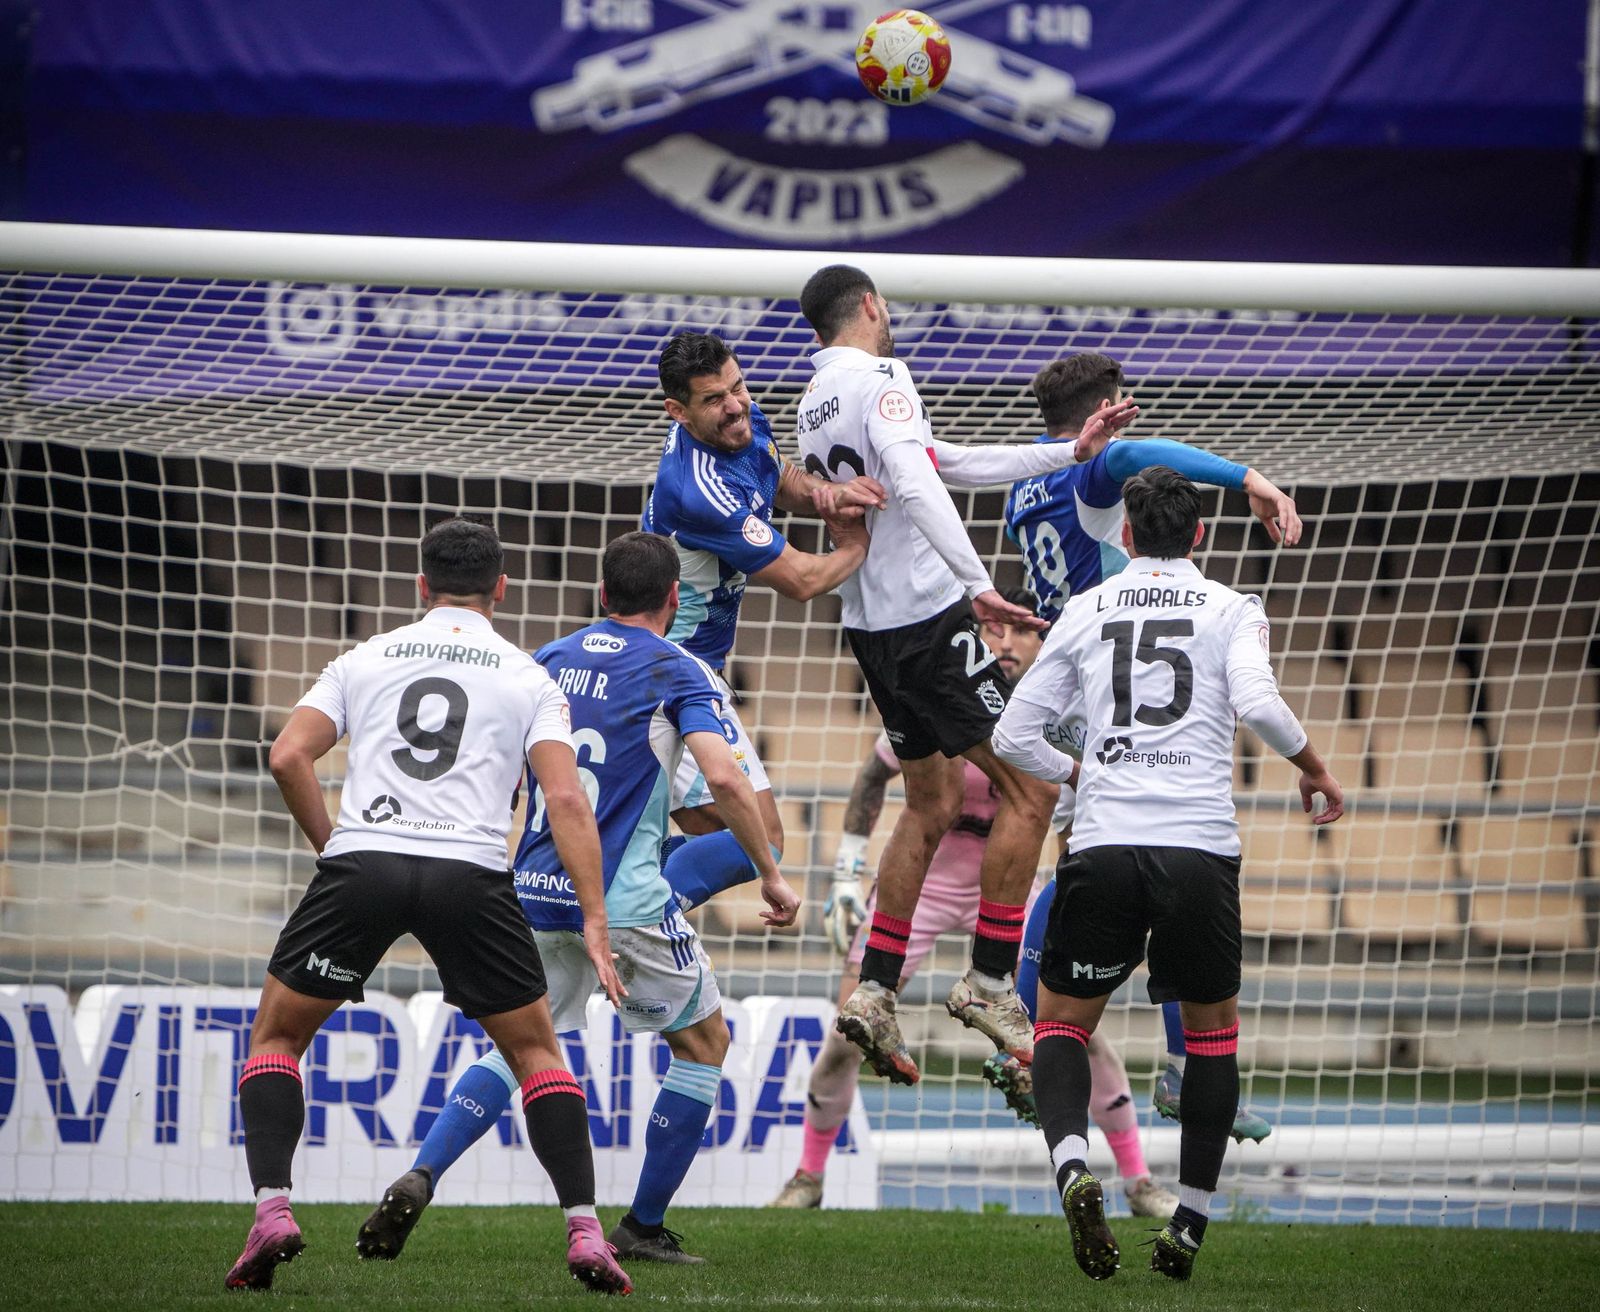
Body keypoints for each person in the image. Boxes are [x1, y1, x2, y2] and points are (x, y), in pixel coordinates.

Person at [358, 531, 802, 1267]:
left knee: (523, 1046)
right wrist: (773, 875)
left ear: (601, 595)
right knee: (704, 1044)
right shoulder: (678, 667)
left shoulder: (550, 659)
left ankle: (423, 1172)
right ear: (674, 599)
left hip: (531, 888)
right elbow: (725, 781)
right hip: (619, 902)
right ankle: (643, 1227)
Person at [227, 518, 631, 1295]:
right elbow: (565, 800)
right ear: (501, 590)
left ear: (421, 587)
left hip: (365, 860)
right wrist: (593, 917)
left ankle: (273, 1209)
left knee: (275, 1037)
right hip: (470, 874)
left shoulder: (364, 657)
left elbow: (286, 754)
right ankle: (585, 1230)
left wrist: (334, 844)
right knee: (537, 1056)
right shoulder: (527, 677)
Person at [993, 467, 1344, 1282]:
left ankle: (1073, 1168)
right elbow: (1257, 706)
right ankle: (1189, 1221)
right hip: (1197, 846)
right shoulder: (1231, 607)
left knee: (1060, 1028)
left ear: (1124, 538)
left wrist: (1081, 776)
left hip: (1106, 843)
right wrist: (1315, 768)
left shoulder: (1086, 608)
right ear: (1199, 539)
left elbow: (1014, 736)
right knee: (1213, 1041)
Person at [793, 264, 1140, 1085]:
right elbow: (917, 482)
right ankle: (990, 979)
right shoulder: (883, 376)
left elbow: (942, 459)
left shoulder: (815, 400)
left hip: (871, 625)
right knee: (1032, 789)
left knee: (933, 800)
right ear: (872, 306)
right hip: (925, 615)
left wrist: (1063, 451)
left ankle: (875, 988)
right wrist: (977, 581)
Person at [769, 590, 1178, 1220]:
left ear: (1044, 643)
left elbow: (1077, 822)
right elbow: (877, 775)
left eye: (1019, 631)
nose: (1005, 643)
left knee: (1074, 1033)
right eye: (991, 629)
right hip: (928, 881)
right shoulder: (950, 695)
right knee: (846, 1031)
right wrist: (848, 868)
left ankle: (1138, 1178)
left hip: (1011, 886)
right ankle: (809, 1173)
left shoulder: (1066, 713)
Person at [995, 349, 1298, 1142]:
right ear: (1108, 405)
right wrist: (1249, 478)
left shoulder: (1023, 489)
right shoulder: (1090, 471)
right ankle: (1116, 1056)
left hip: (1079, 677)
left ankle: (1059, 1041)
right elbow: (1127, 458)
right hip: (1113, 686)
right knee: (1159, 856)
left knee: (1096, 864)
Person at [640, 330, 884, 913]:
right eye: (713, 399)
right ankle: (626, 907)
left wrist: (829, 494)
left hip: (693, 675)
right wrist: (856, 546)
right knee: (760, 841)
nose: (735, 405)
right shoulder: (696, 490)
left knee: (749, 842)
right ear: (677, 411)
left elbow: (781, 480)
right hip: (667, 678)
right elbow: (801, 581)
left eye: (738, 385)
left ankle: (622, 895)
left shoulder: (744, 421)